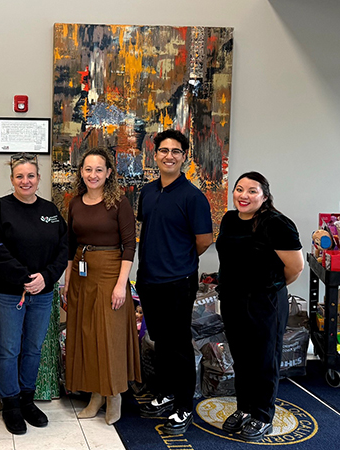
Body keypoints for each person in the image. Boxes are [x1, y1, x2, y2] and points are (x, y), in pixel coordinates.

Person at [216, 171, 303, 442]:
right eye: (239, 189)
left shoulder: (277, 224)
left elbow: (295, 268)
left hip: (265, 302)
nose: (244, 195)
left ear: (264, 195)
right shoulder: (230, 220)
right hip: (233, 299)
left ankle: (262, 415)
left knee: (265, 359)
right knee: (242, 358)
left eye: (252, 191)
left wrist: (270, 286)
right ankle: (244, 408)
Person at [135, 129, 213, 435]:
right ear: (155, 156)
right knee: (161, 342)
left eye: (175, 151)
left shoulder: (193, 197)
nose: (169, 156)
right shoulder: (148, 192)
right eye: (163, 150)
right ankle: (165, 393)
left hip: (178, 281)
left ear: (184, 157)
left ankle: (183, 406)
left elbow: (204, 240)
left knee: (179, 345)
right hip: (149, 280)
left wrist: (178, 259)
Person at [0, 152, 68, 435]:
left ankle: (27, 400)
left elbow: (63, 249)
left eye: (30, 175)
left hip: (43, 293)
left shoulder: (50, 211)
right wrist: (24, 278)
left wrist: (45, 278)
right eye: (19, 176)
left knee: (33, 348)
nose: (25, 180)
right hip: (8, 293)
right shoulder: (0, 208)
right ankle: (10, 404)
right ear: (12, 179)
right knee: (9, 349)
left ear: (38, 178)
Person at [63, 148, 141, 425]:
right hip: (82, 274)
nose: (92, 174)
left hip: (111, 273)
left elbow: (129, 245)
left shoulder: (119, 203)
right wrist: (68, 277)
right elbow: (71, 245)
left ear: (108, 173)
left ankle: (114, 395)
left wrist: (122, 285)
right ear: (81, 172)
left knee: (109, 336)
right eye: (88, 169)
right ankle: (95, 395)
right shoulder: (74, 203)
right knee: (86, 335)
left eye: (99, 169)